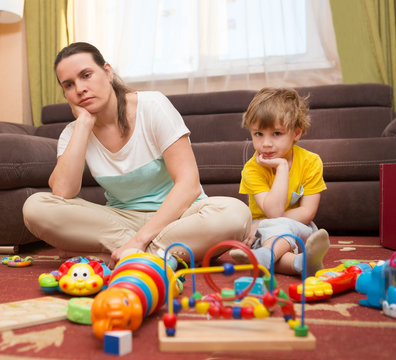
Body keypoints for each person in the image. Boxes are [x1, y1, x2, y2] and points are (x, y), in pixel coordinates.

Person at [22, 42, 251, 268]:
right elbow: (63, 192)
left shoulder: (152, 106)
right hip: (121, 221)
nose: (79, 88)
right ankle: (163, 255)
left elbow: (189, 185)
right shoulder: (73, 132)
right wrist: (83, 124)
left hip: (180, 218)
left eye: (86, 75)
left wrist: (139, 240)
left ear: (108, 72)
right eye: (69, 85)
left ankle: (117, 255)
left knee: (235, 214)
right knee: (35, 207)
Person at [230, 87, 329, 276]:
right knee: (272, 238)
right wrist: (283, 168)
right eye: (258, 134)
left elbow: (307, 212)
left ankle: (265, 255)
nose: (266, 143)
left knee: (283, 227)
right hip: (259, 230)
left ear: (296, 133)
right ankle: (299, 263)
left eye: (276, 133)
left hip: (299, 225)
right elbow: (273, 210)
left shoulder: (311, 162)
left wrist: (281, 167)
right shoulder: (252, 169)